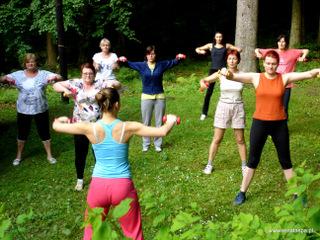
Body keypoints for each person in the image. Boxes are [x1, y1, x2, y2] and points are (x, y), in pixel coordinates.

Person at [52, 87, 179, 240]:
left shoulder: (89, 127)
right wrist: (171, 120)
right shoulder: (128, 127)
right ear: (117, 105)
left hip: (98, 186)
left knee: (92, 233)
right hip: (122, 187)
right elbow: (162, 132)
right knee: (133, 234)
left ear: (101, 105)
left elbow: (56, 127)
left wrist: (59, 120)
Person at [219, 50, 320, 205]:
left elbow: (307, 74)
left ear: (277, 64)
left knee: (285, 160)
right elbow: (235, 76)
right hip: (260, 123)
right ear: (264, 63)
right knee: (253, 159)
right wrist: (227, 73)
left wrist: (316, 71)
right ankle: (242, 192)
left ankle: (296, 193)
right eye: (267, 63)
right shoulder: (256, 77)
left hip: (279, 125)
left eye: (273, 64)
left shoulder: (284, 78)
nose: (270, 66)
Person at [118, 45, 186, 152]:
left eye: (153, 53)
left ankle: (158, 144)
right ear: (146, 55)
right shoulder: (141, 66)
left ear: (155, 55)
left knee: (159, 121)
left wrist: (179, 58)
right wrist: (123, 60)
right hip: (146, 97)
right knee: (146, 122)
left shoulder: (161, 65)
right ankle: (146, 144)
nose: (151, 55)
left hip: (160, 97)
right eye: (149, 53)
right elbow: (128, 63)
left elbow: (172, 62)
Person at [53, 63, 109, 191]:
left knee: (98, 153)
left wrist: (113, 85)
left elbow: (114, 85)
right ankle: (80, 179)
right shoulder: (76, 83)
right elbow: (56, 85)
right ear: (81, 74)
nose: (88, 76)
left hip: (96, 125)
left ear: (94, 74)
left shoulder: (99, 83)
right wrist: (65, 90)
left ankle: (100, 178)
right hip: (80, 126)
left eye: (90, 73)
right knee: (80, 154)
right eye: (85, 73)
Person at [0, 53, 62, 166]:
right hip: (24, 110)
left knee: (44, 132)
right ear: (25, 64)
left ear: (36, 63)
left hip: (41, 108)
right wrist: (5, 78)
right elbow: (2, 79)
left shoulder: (43, 74)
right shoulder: (18, 75)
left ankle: (49, 155)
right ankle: (18, 156)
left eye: (32, 62)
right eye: (28, 62)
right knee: (22, 133)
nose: (30, 64)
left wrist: (55, 77)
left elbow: (59, 77)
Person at [200, 50, 247, 176]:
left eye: (234, 59)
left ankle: (244, 166)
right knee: (217, 138)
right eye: (230, 58)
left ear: (238, 60)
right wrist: (203, 85)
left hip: (238, 107)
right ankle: (209, 164)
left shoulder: (242, 75)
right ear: (226, 60)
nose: (232, 61)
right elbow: (204, 80)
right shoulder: (221, 73)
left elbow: (256, 80)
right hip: (223, 107)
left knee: (240, 139)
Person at [254, 34, 309, 119]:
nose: (281, 43)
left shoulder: (292, 52)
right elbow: (257, 49)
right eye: (279, 41)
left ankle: (283, 126)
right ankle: (271, 122)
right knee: (272, 105)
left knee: (284, 107)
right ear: (277, 42)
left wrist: (303, 57)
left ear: (286, 43)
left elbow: (306, 50)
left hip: (286, 84)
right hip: (272, 82)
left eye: (283, 41)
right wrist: (258, 54)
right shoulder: (272, 52)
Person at [195, 31, 242, 121]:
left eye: (220, 37)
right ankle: (204, 113)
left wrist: (238, 50)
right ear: (215, 38)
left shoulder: (226, 45)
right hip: (213, 70)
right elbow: (197, 49)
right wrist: (200, 51)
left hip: (224, 70)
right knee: (209, 93)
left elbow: (237, 49)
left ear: (222, 38)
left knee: (227, 90)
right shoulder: (210, 46)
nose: (219, 38)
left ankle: (229, 110)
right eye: (217, 37)